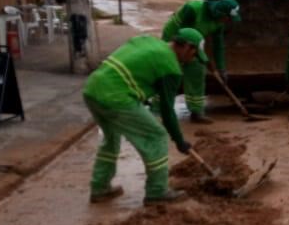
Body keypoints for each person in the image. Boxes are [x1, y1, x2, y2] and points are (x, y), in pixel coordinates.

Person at [81, 29, 204, 205]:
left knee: (111, 138)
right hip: (117, 97)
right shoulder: (171, 68)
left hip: (93, 89)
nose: (193, 59)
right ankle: (157, 192)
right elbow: (167, 110)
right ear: (186, 47)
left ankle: (100, 189)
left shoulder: (150, 41)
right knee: (156, 136)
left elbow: (137, 71)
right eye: (194, 54)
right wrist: (179, 140)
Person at [160, 0, 241, 123]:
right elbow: (183, 36)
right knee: (170, 72)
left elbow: (218, 46)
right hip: (174, 38)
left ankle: (196, 111)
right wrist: (198, 56)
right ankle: (160, 107)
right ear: (219, 13)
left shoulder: (219, 22)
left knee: (197, 70)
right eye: (228, 18)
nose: (228, 21)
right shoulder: (192, 9)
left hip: (193, 43)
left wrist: (221, 69)